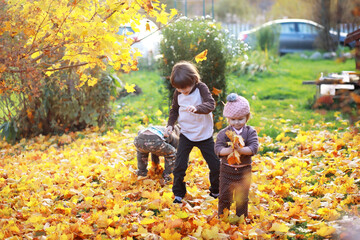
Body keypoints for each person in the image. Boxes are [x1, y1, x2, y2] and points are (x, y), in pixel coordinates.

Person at [164, 61, 220, 204]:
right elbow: (174, 110)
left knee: (215, 165)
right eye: (179, 89)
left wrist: (198, 108)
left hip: (204, 135)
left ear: (193, 79)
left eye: (185, 88)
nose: (183, 91)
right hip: (186, 134)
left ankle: (216, 191)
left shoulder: (201, 88)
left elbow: (210, 104)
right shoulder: (178, 93)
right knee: (179, 166)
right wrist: (170, 125)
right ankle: (178, 194)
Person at [214, 93, 259, 217]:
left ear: (247, 117)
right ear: (228, 119)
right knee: (224, 196)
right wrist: (229, 150)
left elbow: (253, 148)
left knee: (242, 198)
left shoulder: (250, 132)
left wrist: (240, 149)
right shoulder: (224, 133)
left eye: (241, 119)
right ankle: (223, 217)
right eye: (233, 119)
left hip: (244, 172)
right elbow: (218, 149)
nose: (237, 122)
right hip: (226, 172)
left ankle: (241, 218)